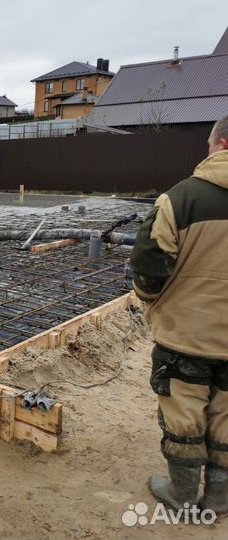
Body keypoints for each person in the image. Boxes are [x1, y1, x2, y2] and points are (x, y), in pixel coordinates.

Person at [130, 115, 228, 516]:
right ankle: (220, 498)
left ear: (221, 144)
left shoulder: (181, 198)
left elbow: (149, 264)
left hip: (186, 333)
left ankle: (184, 494)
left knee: (183, 409)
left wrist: (151, 301)